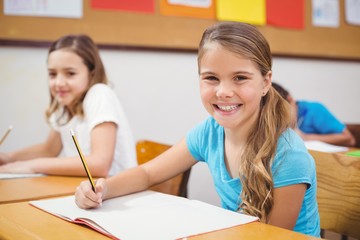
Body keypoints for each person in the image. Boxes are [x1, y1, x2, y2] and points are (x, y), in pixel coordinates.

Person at [74, 22, 320, 237]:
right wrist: (104, 188)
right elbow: (148, 173)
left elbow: (273, 237)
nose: (223, 91)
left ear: (266, 82)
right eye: (211, 78)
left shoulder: (289, 154)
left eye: (240, 78)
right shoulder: (209, 132)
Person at [0, 34, 137, 177]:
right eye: (52, 74)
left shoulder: (99, 94)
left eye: (70, 73)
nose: (59, 82)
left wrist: (32, 165)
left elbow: (99, 164)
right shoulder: (65, 104)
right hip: (88, 191)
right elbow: (49, 149)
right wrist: (8, 158)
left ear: (91, 74)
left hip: (118, 192)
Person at [272, 82, 355, 147]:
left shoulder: (314, 110)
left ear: (290, 99)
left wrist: (307, 138)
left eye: (281, 112)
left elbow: (349, 139)